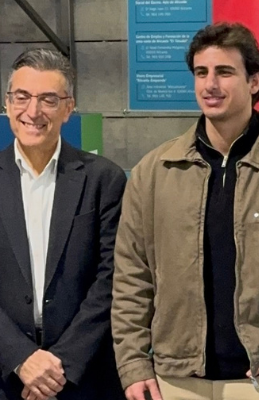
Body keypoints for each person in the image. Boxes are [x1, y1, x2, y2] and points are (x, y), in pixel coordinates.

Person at [111, 22, 259, 400]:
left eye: (224, 72)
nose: (210, 85)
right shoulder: (154, 172)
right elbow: (131, 277)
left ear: (254, 81)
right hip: (175, 382)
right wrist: (134, 364)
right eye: (201, 73)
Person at [0, 49, 126, 400]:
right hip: (6, 376)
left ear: (68, 108)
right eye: (22, 97)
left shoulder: (104, 180)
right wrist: (20, 357)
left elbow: (113, 278)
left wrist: (61, 365)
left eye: (48, 99)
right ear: (7, 103)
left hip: (83, 376)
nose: (33, 111)